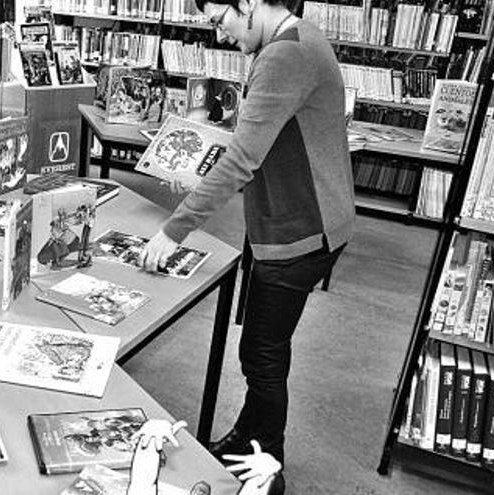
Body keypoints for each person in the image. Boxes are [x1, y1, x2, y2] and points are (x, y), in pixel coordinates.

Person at [140, 0, 355, 480]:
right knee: (262, 346)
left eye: (222, 21)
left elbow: (242, 160)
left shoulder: (283, 56)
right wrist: (197, 173)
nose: (220, 36)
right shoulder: (301, 37)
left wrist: (174, 229)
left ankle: (267, 467)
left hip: (300, 229)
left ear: (251, 3)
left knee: (262, 353)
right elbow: (259, 137)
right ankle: (248, 437)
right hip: (302, 218)